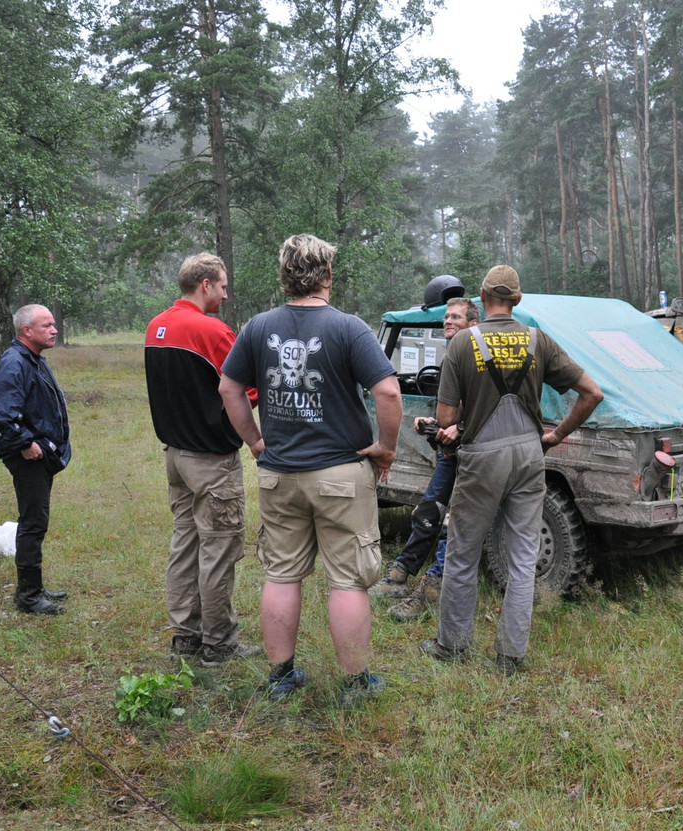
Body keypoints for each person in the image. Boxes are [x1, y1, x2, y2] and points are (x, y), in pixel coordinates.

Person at [219, 234, 402, 706]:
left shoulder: (258, 327)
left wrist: (255, 441)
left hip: (279, 474)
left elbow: (228, 388)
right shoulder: (348, 328)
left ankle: (280, 677)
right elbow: (387, 392)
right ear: (327, 275)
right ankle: (355, 685)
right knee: (348, 580)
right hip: (341, 474)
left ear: (285, 275)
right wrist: (386, 448)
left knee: (282, 575)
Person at [421, 265, 603, 673]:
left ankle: (452, 645)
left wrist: (466, 409)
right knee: (522, 559)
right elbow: (592, 393)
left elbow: (446, 417)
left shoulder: (463, 342)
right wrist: (556, 436)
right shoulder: (539, 340)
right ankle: (510, 656)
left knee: (463, 554)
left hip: (482, 457)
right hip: (529, 455)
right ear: (517, 300)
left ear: (483, 297)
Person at [145, 253, 261, 666]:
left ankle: (186, 636)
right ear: (206, 284)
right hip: (211, 461)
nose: (226, 295)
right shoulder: (212, 331)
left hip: (176, 457)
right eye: (223, 286)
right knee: (219, 550)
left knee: (185, 545)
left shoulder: (155, 327)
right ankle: (219, 642)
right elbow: (245, 391)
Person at [370, 294, 480, 621]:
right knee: (428, 513)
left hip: (474, 454)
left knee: (452, 524)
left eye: (456, 317)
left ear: (473, 324)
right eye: (446, 317)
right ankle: (399, 575)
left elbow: (489, 406)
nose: (448, 321)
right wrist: (434, 424)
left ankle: (433, 588)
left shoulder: (480, 358)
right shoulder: (451, 356)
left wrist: (460, 427)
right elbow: (453, 409)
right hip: (449, 452)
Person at [0, 304, 72, 616]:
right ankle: (29, 597)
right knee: (33, 523)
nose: (54, 330)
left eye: (54, 324)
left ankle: (33, 587)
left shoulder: (32, 359)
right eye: (47, 325)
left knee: (35, 521)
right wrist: (24, 443)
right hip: (28, 458)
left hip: (41, 454)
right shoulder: (14, 362)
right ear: (27, 331)